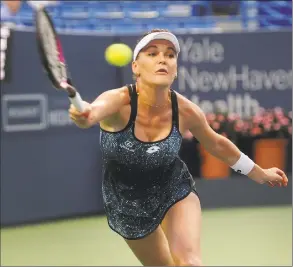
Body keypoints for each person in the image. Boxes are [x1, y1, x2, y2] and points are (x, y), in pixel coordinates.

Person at [69, 29, 288, 266]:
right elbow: (92, 113)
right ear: (135, 67)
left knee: (189, 263)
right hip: (127, 202)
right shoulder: (118, 101)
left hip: (173, 188)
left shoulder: (185, 110)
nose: (162, 59)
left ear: (175, 69)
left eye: (170, 55)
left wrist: (259, 172)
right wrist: (84, 115)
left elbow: (215, 143)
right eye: (152, 54)